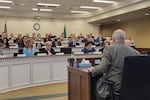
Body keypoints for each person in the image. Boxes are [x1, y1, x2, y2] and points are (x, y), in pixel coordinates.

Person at [88, 29, 140, 100]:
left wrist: (93, 70)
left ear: (113, 39)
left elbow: (103, 68)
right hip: (133, 87)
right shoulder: (135, 52)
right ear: (124, 39)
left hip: (115, 86)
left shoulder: (109, 49)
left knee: (93, 83)